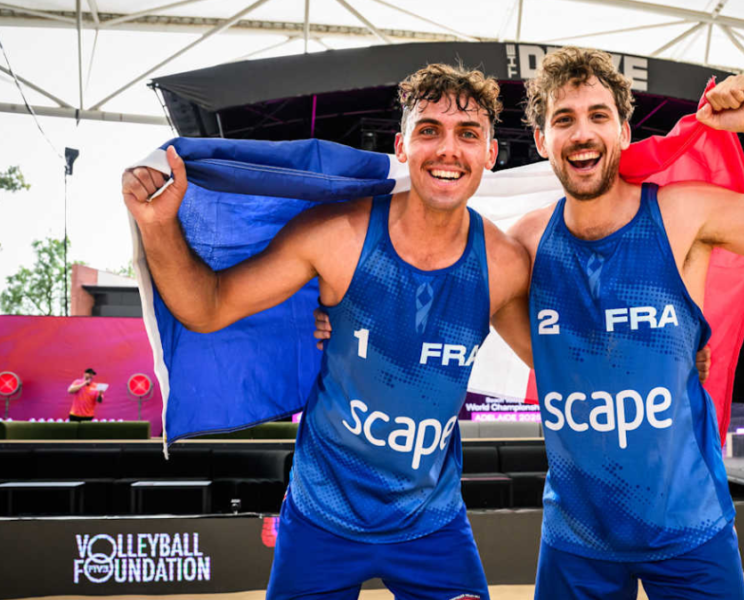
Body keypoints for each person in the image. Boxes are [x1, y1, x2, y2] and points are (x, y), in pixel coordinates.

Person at [122, 64, 533, 600]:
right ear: (402, 147)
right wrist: (157, 225)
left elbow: (557, 365)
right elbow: (208, 307)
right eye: (429, 130)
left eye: (468, 134)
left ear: (491, 154)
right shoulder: (338, 235)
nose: (448, 149)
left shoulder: (503, 265)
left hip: (432, 524)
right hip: (321, 518)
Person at [509, 47, 744, 600]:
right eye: (564, 119)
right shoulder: (527, 241)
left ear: (624, 132)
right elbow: (452, 286)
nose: (582, 133)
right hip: (577, 537)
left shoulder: (682, 213)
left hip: (689, 530)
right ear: (541, 140)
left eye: (598, 115)